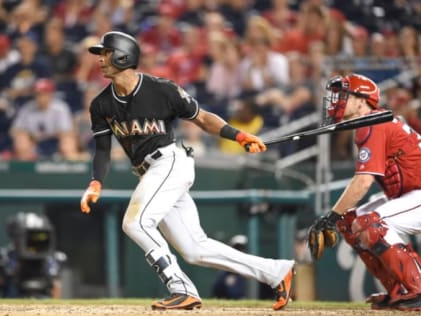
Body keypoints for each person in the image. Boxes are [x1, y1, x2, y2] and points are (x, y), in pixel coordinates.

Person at [80, 31, 295, 311]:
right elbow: (103, 150)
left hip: (170, 162)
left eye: (106, 53)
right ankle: (276, 271)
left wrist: (239, 136)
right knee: (195, 248)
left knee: (135, 223)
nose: (101, 59)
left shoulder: (161, 89)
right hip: (150, 173)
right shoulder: (101, 104)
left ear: (123, 54)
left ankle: (180, 288)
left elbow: (203, 118)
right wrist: (96, 182)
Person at [309, 73, 421, 311]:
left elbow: (363, 182)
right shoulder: (372, 122)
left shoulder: (373, 123)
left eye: (344, 95)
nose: (337, 100)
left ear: (362, 101)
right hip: (412, 193)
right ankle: (399, 290)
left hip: (420, 192)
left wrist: (328, 217)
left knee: (372, 224)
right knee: (349, 221)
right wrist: (335, 217)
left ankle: (418, 289)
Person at [0, 212, 66, 298]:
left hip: (43, 303)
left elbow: (56, 288)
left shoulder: (50, 258)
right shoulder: (6, 257)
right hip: (13, 303)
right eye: (29, 238)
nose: (34, 243)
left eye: (39, 237)